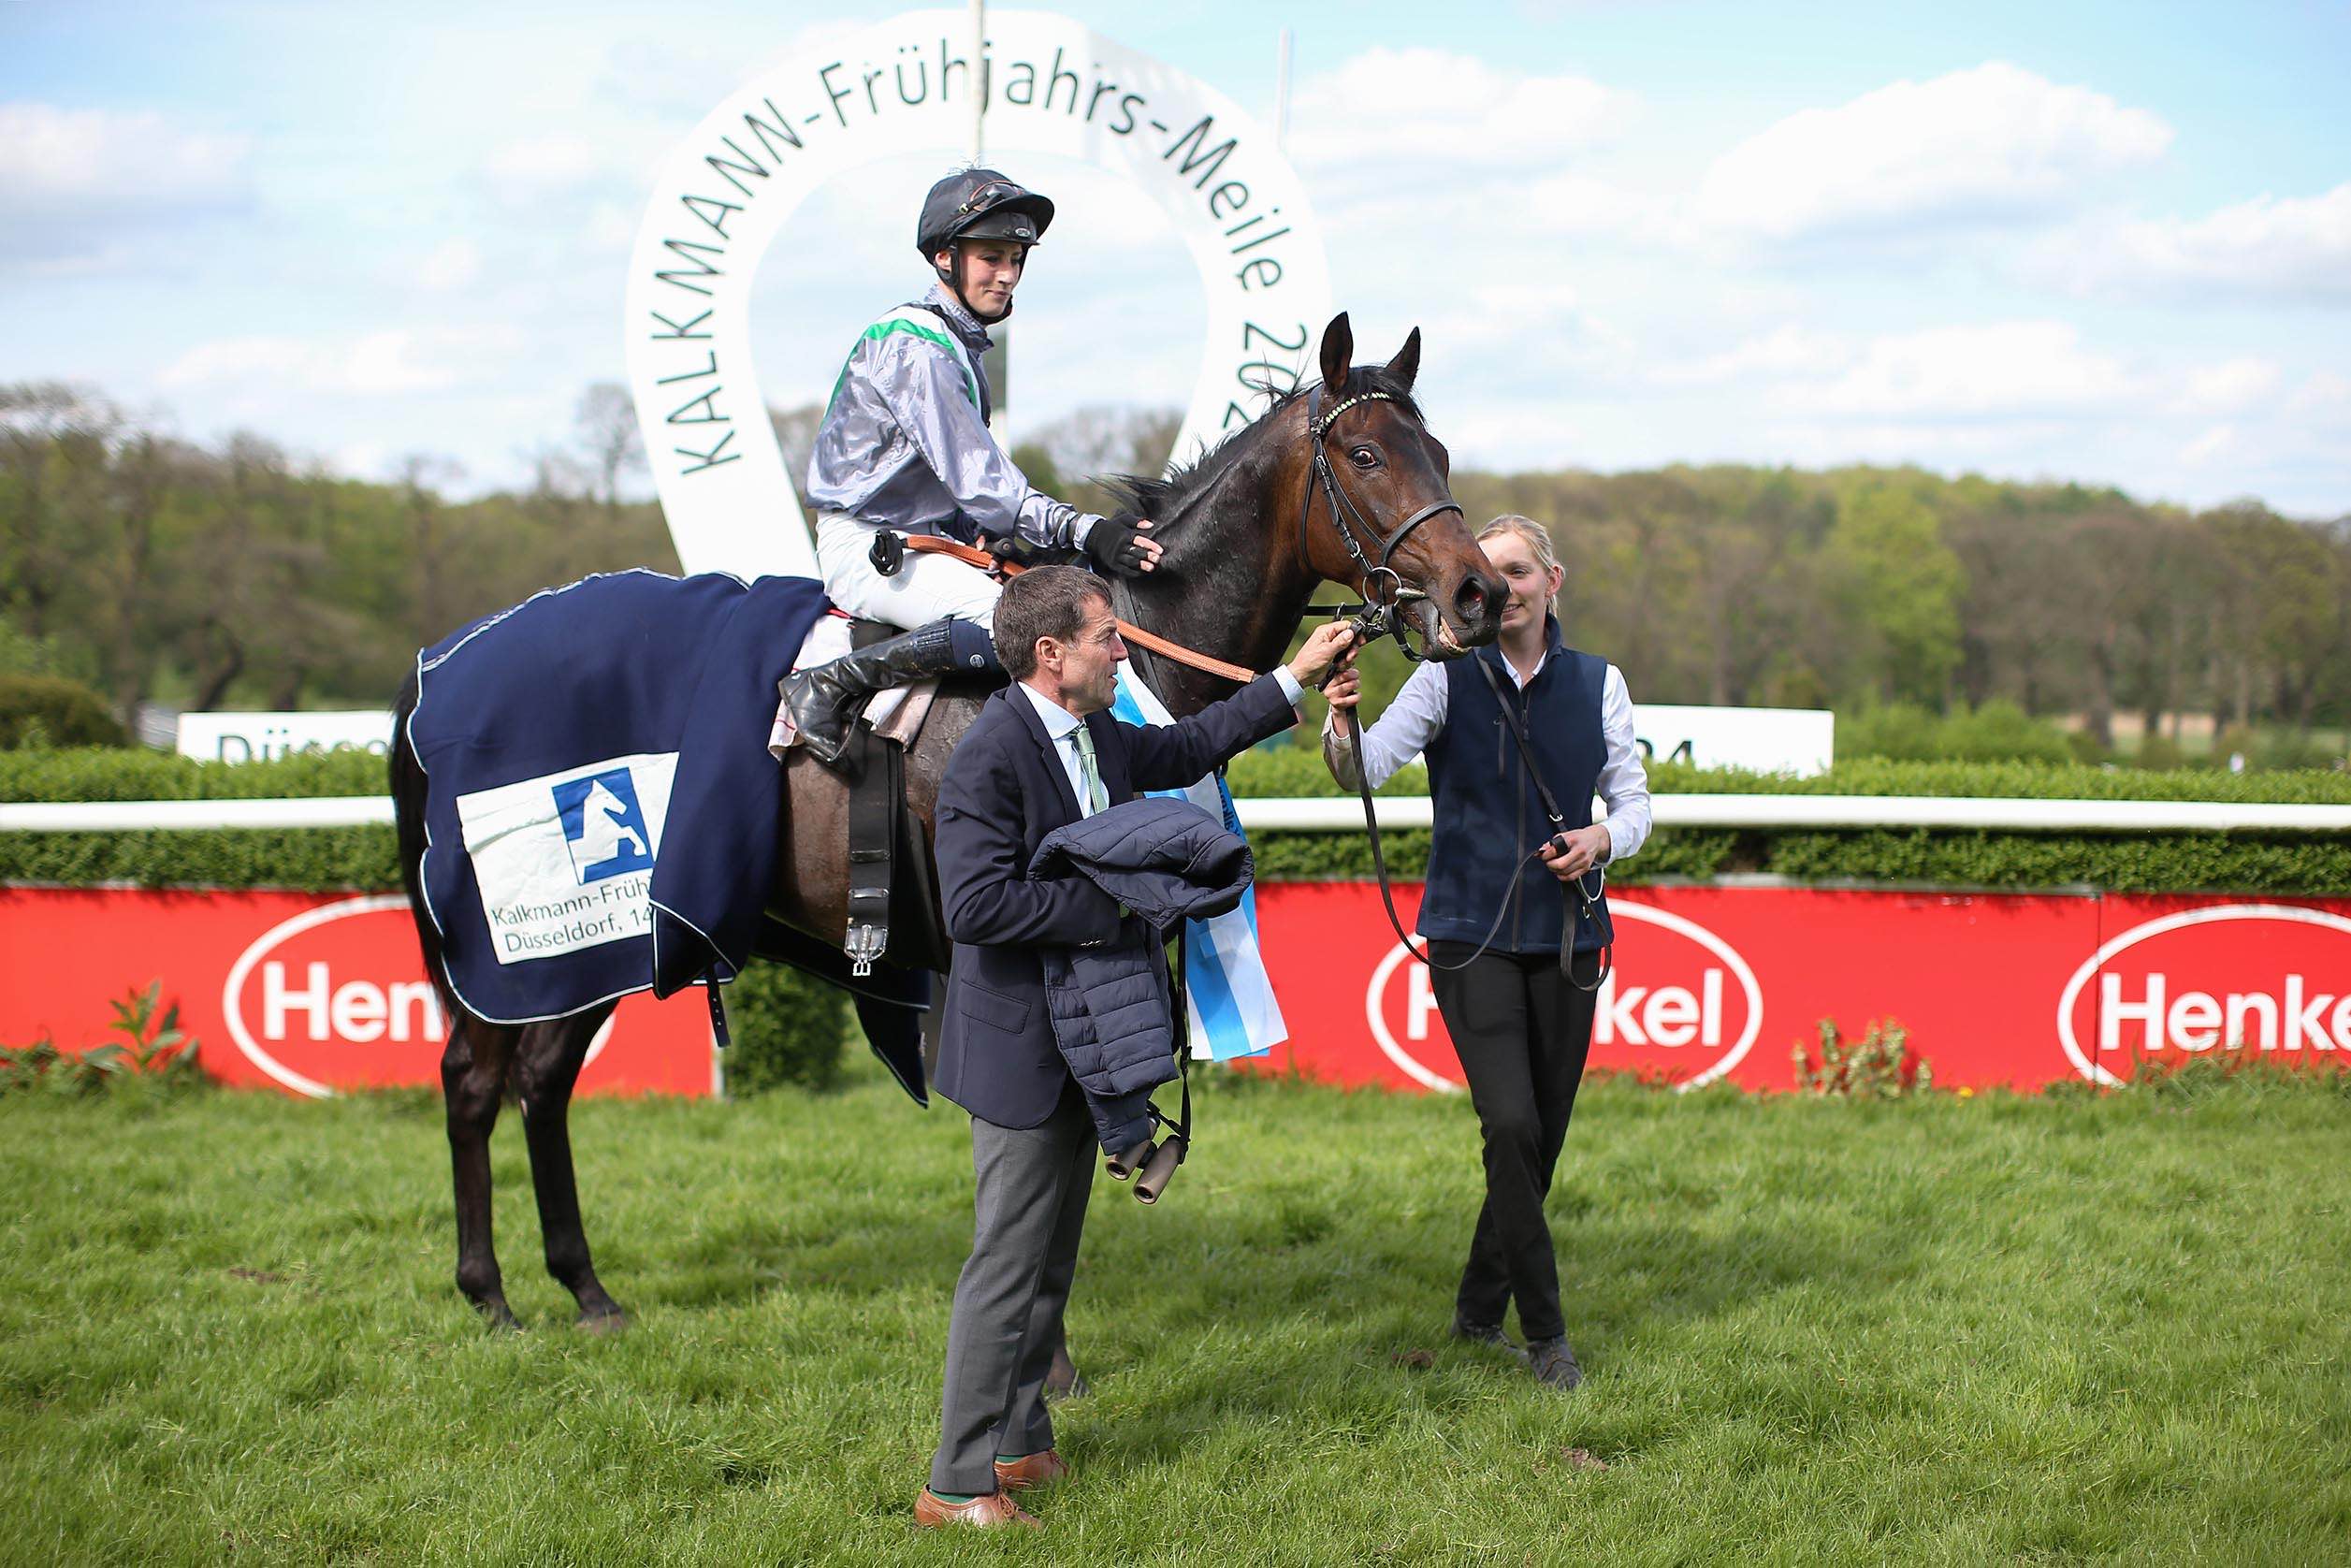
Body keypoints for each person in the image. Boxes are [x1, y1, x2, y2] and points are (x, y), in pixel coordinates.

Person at [916, 565, 1357, 1528]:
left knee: (1050, 1258)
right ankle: (954, 1483)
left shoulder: (1098, 729)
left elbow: (1192, 744)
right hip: (1022, 1050)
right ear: (1051, 654)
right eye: (1107, 638)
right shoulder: (989, 753)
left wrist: (1295, 676)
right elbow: (975, 906)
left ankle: (1021, 1441)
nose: (1122, 653)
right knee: (1005, 1262)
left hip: (1091, 1042)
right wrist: (1120, 896)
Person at [1321, 515, 1650, 1391]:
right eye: (1488, 573)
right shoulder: (1442, 676)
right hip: (1469, 935)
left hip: (1573, 934)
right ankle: (1545, 1336)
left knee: (1536, 1142)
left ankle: (1475, 1310)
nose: (1501, 586)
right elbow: (1361, 771)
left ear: (1552, 581)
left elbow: (1634, 803)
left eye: (1517, 570)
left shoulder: (1598, 682)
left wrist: (1602, 839)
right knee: (1508, 1123)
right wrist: (1340, 719)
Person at [782, 167, 1165, 766]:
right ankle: (828, 683)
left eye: (1016, 258)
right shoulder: (916, 344)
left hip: (926, 544)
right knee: (1008, 622)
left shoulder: (956, 345)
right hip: (870, 548)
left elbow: (966, 499)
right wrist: (1086, 529)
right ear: (944, 258)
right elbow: (985, 487)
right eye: (991, 257)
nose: (1008, 274)